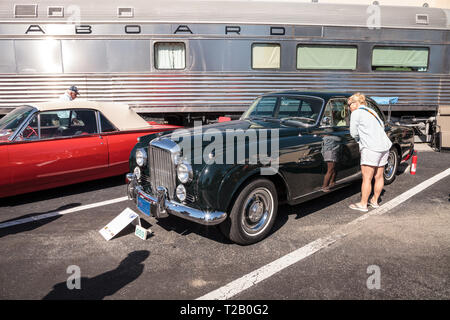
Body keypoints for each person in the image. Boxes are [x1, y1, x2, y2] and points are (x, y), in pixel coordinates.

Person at [348, 93, 392, 212]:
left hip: (371, 147)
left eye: (349, 104)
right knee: (378, 176)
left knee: (367, 178)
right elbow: (382, 125)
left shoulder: (356, 113)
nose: (349, 107)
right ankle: (375, 201)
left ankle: (363, 204)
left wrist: (359, 140)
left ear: (356, 103)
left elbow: (353, 132)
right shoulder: (372, 111)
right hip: (384, 146)